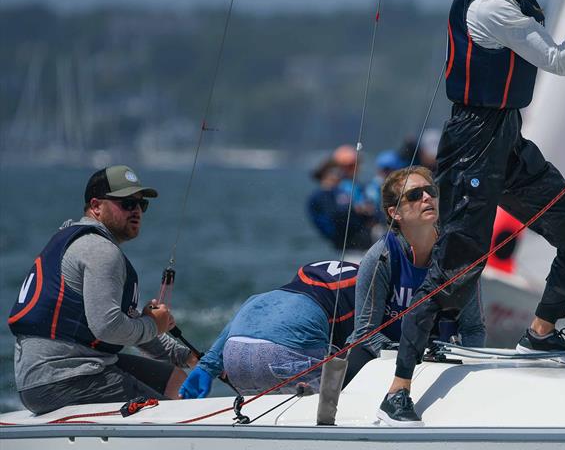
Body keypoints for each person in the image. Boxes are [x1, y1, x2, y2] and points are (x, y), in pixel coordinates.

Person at [377, 0, 565, 425]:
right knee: (456, 272)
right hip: (472, 144)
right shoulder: (491, 5)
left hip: (507, 140)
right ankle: (399, 386)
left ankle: (541, 333)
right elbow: (560, 61)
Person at [8, 165, 195, 415]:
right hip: (63, 379)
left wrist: (186, 356)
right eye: (127, 203)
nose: (137, 210)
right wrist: (152, 324)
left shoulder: (77, 239)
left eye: (142, 205)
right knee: (169, 415)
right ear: (96, 206)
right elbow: (108, 327)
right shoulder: (100, 251)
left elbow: (120, 322)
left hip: (56, 375)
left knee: (176, 380)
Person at [349, 166, 485, 409]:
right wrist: (408, 357)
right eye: (414, 195)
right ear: (395, 213)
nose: (426, 198)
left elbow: (473, 328)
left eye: (430, 191)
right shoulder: (381, 257)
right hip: (383, 360)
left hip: (442, 361)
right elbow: (365, 332)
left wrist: (468, 367)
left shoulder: (459, 256)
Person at [179, 260, 357, 398]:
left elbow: (231, 330)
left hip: (234, 355)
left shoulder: (268, 296)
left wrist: (206, 370)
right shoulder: (365, 287)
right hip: (284, 357)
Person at [307, 157, 373, 250]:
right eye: (335, 172)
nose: (340, 174)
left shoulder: (339, 191)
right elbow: (334, 215)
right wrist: (356, 209)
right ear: (325, 174)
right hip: (346, 245)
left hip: (360, 241)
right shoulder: (320, 196)